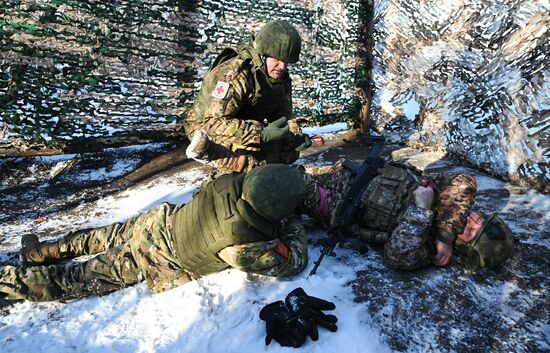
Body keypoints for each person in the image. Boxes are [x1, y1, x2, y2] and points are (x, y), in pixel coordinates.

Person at [0, 165, 310, 302]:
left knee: (94, 237)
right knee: (75, 280)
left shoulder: (228, 182)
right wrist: (293, 222)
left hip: (158, 220)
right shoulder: (244, 245)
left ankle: (37, 253)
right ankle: (9, 282)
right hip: (154, 257)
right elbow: (294, 262)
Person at [300, 159, 514, 270]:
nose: (472, 221)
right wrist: (446, 236)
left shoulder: (428, 246)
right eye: (480, 220)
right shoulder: (451, 201)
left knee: (283, 183)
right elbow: (465, 181)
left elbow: (399, 256)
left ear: (464, 248)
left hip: (332, 203)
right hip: (347, 173)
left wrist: (422, 209)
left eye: (472, 232)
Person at [182, 20, 311, 173]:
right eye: (276, 59)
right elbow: (213, 123)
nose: (282, 67)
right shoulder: (235, 74)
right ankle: (208, 152)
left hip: (242, 122)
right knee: (251, 166)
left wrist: (294, 134)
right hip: (205, 127)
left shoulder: (281, 78)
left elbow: (283, 116)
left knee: (286, 151)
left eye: (286, 62)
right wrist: (260, 134)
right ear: (264, 54)